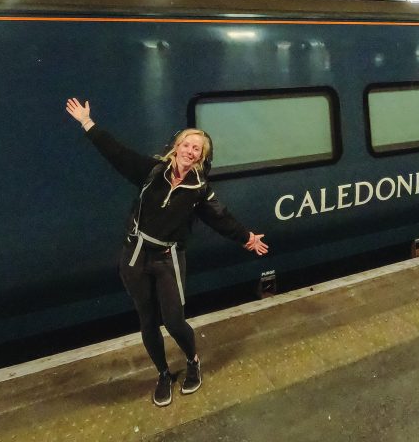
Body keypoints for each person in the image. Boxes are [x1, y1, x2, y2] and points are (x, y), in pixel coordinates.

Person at [65, 97, 269, 407]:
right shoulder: (151, 171)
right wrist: (87, 123)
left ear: (201, 158)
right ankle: (162, 374)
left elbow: (220, 216)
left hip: (167, 259)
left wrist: (246, 238)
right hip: (135, 257)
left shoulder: (199, 189)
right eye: (187, 145)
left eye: (197, 149)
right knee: (147, 321)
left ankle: (192, 361)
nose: (190, 151)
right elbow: (117, 154)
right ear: (177, 147)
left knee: (174, 321)